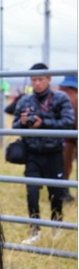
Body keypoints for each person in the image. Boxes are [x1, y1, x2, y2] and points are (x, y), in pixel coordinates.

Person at [12, 63, 75, 244]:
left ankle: (57, 226)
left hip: (54, 154)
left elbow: (68, 122)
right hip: (32, 154)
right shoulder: (25, 101)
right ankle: (34, 230)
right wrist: (24, 122)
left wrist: (43, 122)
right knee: (31, 192)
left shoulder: (61, 98)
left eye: (40, 79)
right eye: (34, 80)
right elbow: (15, 125)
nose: (37, 83)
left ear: (49, 79)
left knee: (55, 193)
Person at [58, 74, 77, 202]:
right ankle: (64, 194)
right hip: (68, 137)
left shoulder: (56, 94)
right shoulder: (75, 98)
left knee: (59, 166)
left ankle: (61, 192)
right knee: (66, 166)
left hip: (52, 138)